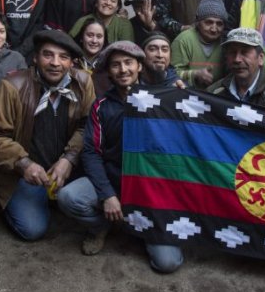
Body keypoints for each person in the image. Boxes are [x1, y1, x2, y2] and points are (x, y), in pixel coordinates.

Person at [57, 41, 184, 272]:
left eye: (128, 63)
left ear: (139, 66)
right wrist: (107, 195)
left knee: (168, 263)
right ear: (109, 71)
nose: (123, 69)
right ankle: (101, 226)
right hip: (114, 182)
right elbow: (91, 153)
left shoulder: (162, 101)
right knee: (68, 197)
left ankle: (137, 226)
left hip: (151, 192)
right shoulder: (101, 107)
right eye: (116, 65)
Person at [0, 30, 95, 241]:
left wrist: (69, 159)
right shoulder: (12, 86)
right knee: (33, 229)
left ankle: (50, 196)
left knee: (83, 200)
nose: (55, 63)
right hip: (23, 173)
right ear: (35, 57)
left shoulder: (83, 82)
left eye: (63, 57)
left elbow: (87, 125)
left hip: (65, 167)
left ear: (72, 62)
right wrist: (24, 164)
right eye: (47, 55)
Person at [207, 28, 265, 108]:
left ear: (261, 58)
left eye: (245, 52)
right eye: (232, 52)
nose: (237, 59)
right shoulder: (214, 92)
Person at [170, 0, 226, 88]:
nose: (214, 29)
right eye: (209, 22)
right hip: (188, 93)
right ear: (198, 22)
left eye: (219, 24)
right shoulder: (183, 40)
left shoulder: (225, 43)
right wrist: (195, 74)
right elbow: (171, 75)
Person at [70, 0, 134, 44]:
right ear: (96, 3)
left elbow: (128, 49)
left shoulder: (124, 24)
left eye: (113, 1)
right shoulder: (83, 21)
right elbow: (70, 43)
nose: (108, 3)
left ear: (117, 7)